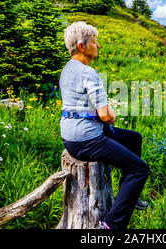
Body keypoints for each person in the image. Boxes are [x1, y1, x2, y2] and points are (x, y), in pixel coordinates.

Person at [59, 21, 150, 230]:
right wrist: (110, 114)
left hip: (70, 137)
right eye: (94, 41)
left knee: (133, 138)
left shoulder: (67, 70)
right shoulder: (88, 72)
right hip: (87, 140)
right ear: (82, 46)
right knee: (140, 170)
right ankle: (110, 227)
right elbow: (106, 115)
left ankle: (131, 196)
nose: (98, 46)